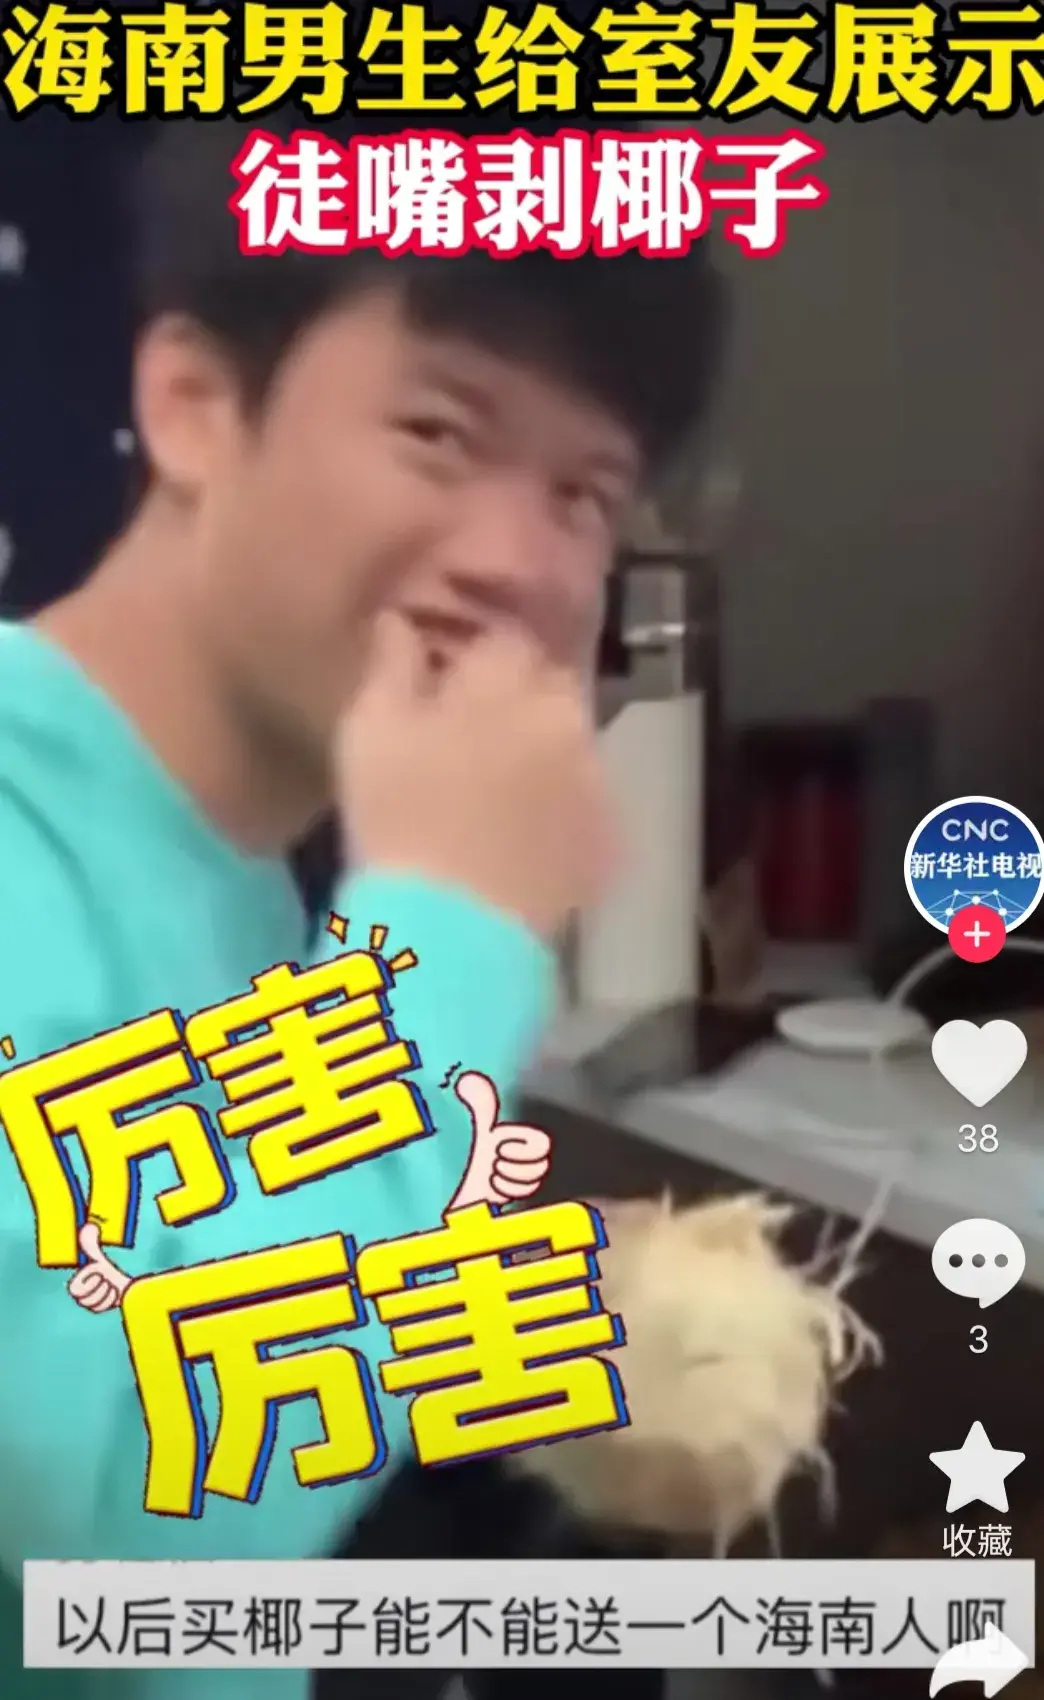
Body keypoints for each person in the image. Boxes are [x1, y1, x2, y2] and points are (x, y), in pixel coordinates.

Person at [0, 111, 725, 1700]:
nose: (519, 564)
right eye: (441, 433)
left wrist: (535, 1324)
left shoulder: (238, 870)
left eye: (586, 494)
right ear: (195, 407)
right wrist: (449, 930)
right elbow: (115, 1542)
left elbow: (200, 1296)